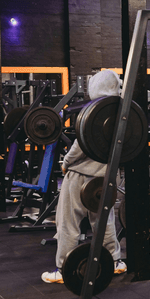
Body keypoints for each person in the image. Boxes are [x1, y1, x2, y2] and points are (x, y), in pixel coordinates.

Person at [42, 69, 126, 283]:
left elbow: (79, 145)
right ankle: (115, 261)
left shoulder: (95, 111)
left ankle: (63, 269)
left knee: (68, 222)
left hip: (81, 175)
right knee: (104, 220)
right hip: (106, 177)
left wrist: (66, 163)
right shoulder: (124, 112)